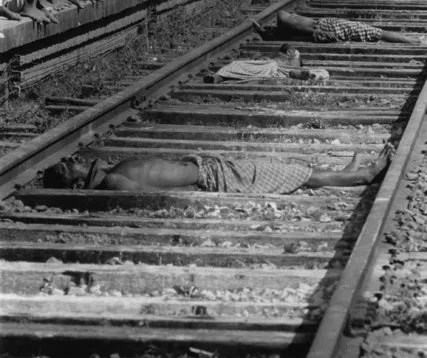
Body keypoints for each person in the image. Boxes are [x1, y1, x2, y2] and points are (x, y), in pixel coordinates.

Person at [43, 145, 393, 193]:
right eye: (69, 166)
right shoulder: (115, 181)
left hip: (211, 168)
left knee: (283, 168)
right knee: (294, 176)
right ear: (76, 184)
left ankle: (343, 172)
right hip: (216, 179)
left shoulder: (110, 171)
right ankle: (361, 176)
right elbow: (162, 196)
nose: (75, 159)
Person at [252, 11, 421, 44]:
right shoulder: (287, 21)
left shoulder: (286, 22)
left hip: (327, 26)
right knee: (375, 32)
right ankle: (413, 41)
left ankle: (412, 40)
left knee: (375, 32)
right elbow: (312, 31)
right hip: (330, 27)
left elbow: (312, 31)